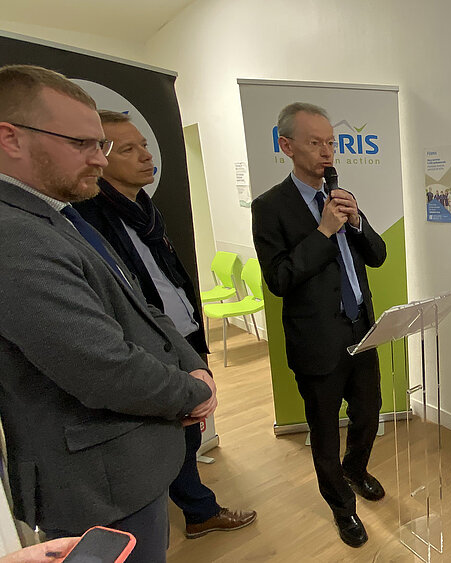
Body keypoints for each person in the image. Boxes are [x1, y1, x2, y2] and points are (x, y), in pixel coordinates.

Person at [0, 64, 216, 563]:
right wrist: (195, 390)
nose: (100, 159)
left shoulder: (59, 213)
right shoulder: (14, 235)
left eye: (102, 144)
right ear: (10, 138)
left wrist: (190, 361)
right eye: (83, 144)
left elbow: (141, 303)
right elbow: (101, 368)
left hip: (127, 465)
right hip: (98, 481)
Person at [74, 110, 257, 540]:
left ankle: (195, 508)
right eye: (129, 149)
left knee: (191, 430)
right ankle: (199, 511)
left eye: (145, 145)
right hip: (146, 348)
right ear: (100, 158)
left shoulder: (147, 212)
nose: (145, 156)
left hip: (184, 336)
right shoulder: (90, 220)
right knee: (167, 435)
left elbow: (167, 276)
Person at [251, 102, 387, 548]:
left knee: (368, 415)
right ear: (286, 146)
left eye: (331, 142)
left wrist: (357, 221)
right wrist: (325, 232)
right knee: (325, 433)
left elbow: (378, 256)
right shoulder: (270, 207)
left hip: (362, 331)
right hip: (317, 342)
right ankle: (342, 508)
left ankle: (358, 469)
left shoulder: (341, 199)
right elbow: (279, 279)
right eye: (316, 143)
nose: (328, 151)